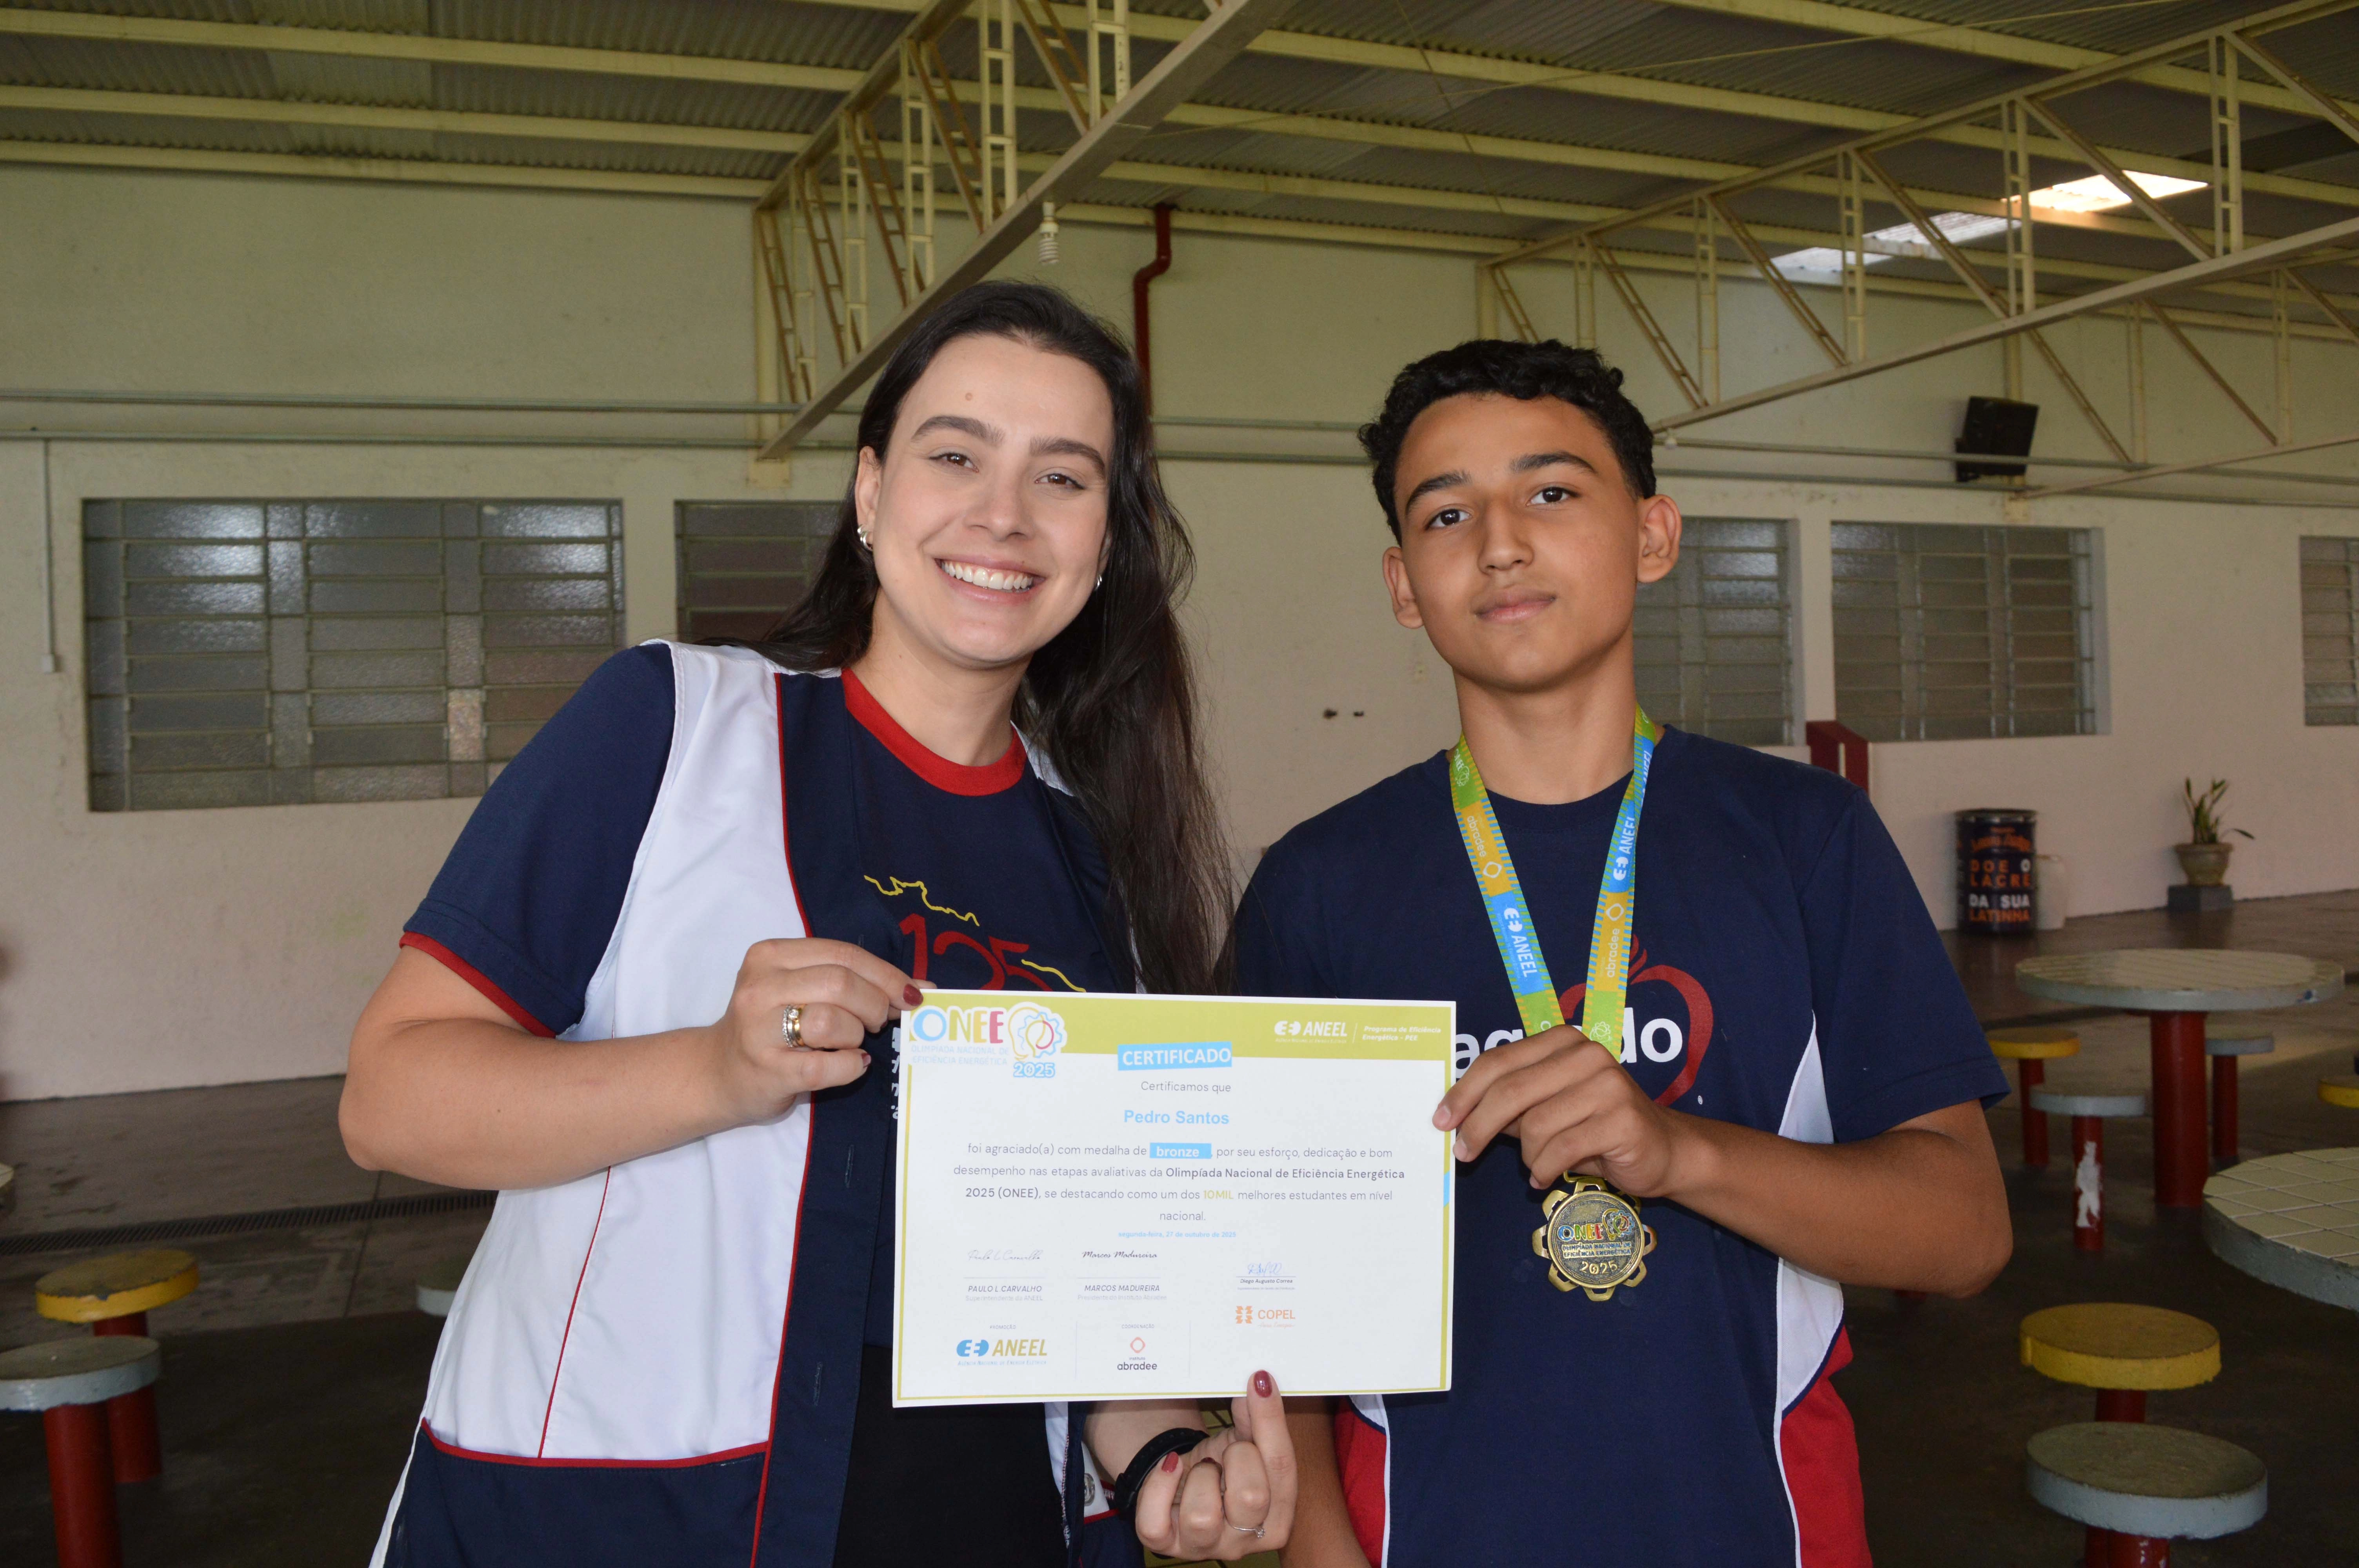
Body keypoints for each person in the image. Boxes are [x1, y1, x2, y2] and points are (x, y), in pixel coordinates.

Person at [341, 281, 1294, 1568]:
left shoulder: (1094, 858)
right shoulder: (671, 728)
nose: (1002, 515)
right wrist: (714, 1069)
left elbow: (1082, 1282)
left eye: (1062, 479)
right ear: (868, 491)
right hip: (647, 1518)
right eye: (954, 455)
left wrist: (1164, 1459)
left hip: (981, 1519)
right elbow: (390, 1101)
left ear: (1108, 540)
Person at [1232, 339, 2012, 1567]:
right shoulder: (1318, 885)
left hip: (1762, 1528)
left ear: (1653, 537)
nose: (1499, 541)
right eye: (1447, 512)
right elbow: (1275, 1273)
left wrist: (1679, 1149)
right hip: (1422, 1536)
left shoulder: (1806, 840)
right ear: (1403, 582)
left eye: (1550, 492)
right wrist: (1321, 1546)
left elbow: (1963, 1232)